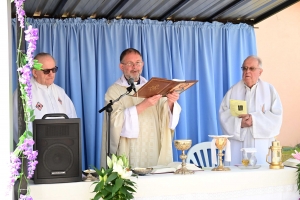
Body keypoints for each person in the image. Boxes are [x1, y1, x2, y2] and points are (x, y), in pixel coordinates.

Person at [100, 48, 181, 168]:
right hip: (129, 146)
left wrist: (171, 102)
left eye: (138, 63)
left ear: (142, 64)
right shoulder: (114, 91)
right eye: (130, 63)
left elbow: (164, 114)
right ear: (121, 67)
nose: (135, 67)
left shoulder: (153, 87)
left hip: (152, 144)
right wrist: (144, 105)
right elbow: (114, 120)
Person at [219, 55, 283, 165]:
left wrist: (254, 120)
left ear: (260, 72)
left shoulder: (269, 90)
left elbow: (276, 117)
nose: (247, 71)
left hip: (261, 145)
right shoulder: (233, 91)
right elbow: (223, 115)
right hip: (237, 146)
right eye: (244, 68)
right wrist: (239, 123)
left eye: (251, 68)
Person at [13, 52, 77, 145]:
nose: (51, 74)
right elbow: (17, 127)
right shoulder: (23, 93)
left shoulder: (60, 92)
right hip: (36, 153)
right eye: (46, 71)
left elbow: (72, 120)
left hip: (62, 151)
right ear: (35, 72)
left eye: (54, 70)